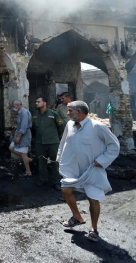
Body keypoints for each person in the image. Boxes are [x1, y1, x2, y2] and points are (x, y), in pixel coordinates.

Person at [57, 101, 120, 243]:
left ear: (79, 112)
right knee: (66, 190)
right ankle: (77, 217)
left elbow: (114, 146)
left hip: (91, 169)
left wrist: (102, 160)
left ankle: (94, 228)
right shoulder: (69, 125)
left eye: (70, 111)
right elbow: (63, 142)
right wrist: (59, 158)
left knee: (93, 199)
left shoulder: (97, 127)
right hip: (72, 167)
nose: (67, 113)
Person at [32, 96, 65, 191]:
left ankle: (56, 181)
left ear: (44, 103)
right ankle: (43, 179)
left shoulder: (53, 114)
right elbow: (34, 129)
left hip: (53, 142)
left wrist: (55, 136)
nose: (36, 103)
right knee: (41, 161)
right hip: (40, 143)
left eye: (38, 102)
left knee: (55, 162)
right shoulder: (35, 115)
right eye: (36, 102)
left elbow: (61, 126)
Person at [10, 100, 33, 177]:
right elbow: (22, 124)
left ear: (17, 105)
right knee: (11, 148)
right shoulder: (21, 112)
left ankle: (28, 171)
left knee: (23, 154)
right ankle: (28, 159)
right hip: (19, 132)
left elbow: (24, 126)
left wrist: (19, 136)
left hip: (24, 135)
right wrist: (16, 127)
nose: (14, 108)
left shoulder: (24, 112)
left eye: (14, 106)